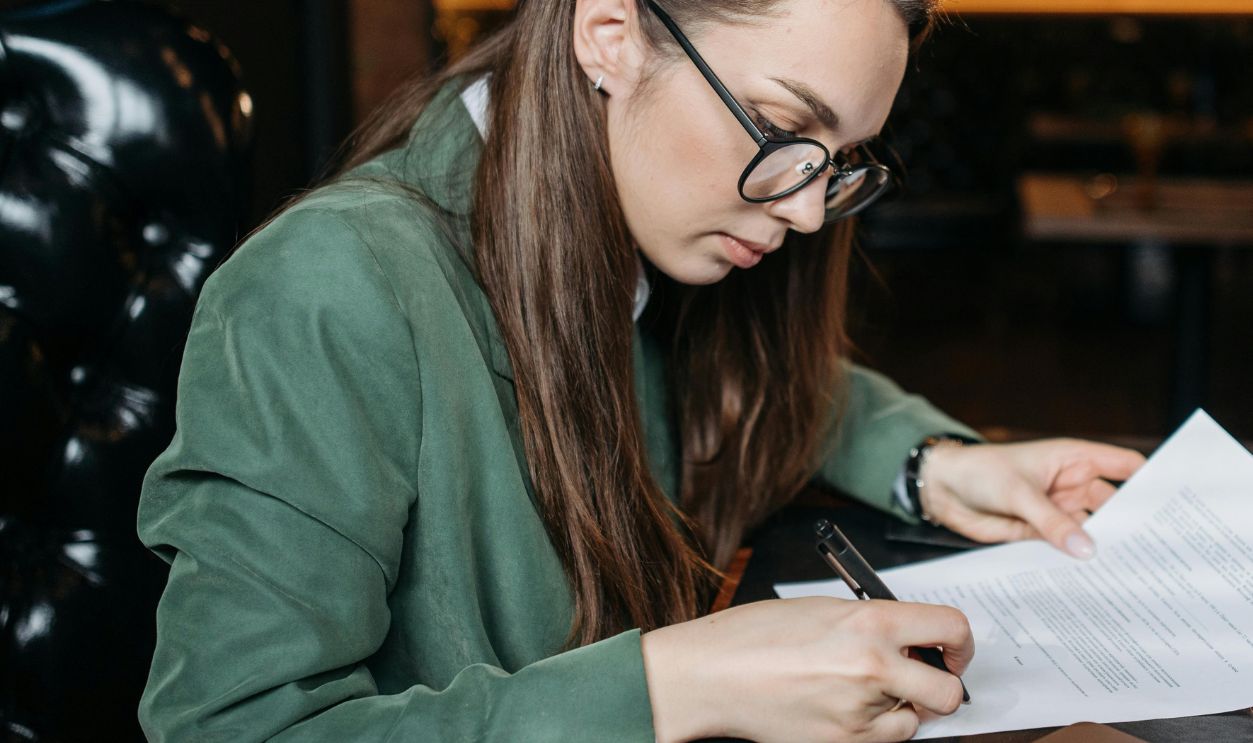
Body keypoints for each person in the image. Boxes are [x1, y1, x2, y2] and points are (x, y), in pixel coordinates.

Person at [136, 0, 1146, 741]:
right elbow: (233, 728)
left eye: (839, 157)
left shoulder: (640, 217)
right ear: (609, 32)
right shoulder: (327, 287)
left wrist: (930, 461)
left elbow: (758, 377)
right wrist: (673, 684)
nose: (803, 210)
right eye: (783, 127)